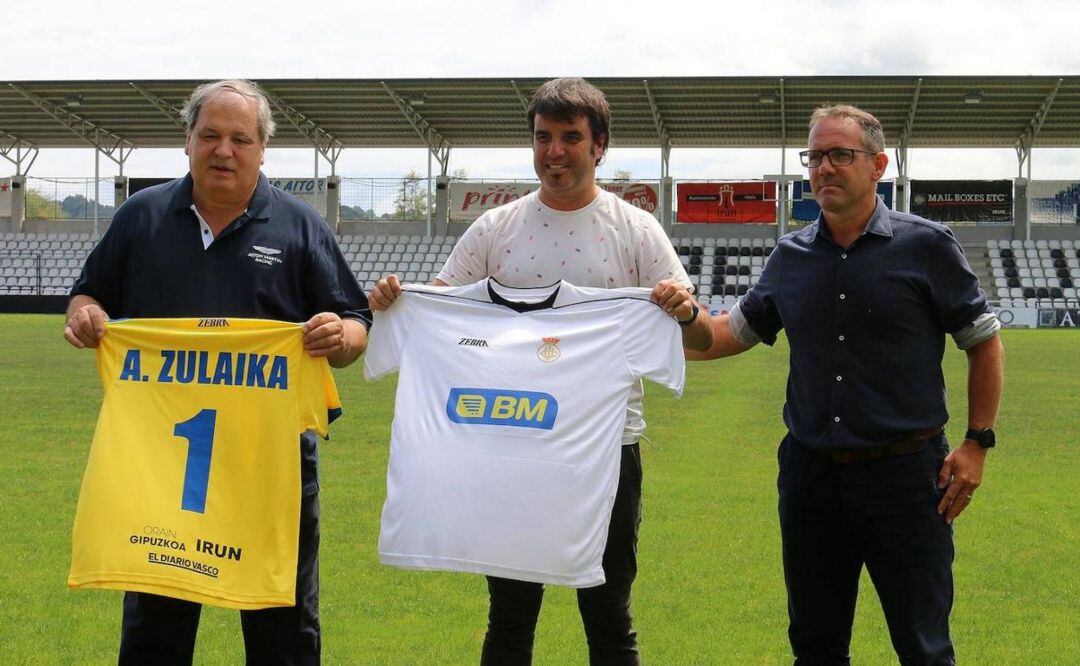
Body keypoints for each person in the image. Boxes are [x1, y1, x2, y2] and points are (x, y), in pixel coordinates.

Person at [369, 77, 711, 665]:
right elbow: (440, 310)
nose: (555, 152)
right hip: (511, 443)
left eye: (570, 138)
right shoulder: (496, 228)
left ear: (599, 145)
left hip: (606, 452)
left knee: (608, 615)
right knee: (509, 616)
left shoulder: (635, 230)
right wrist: (398, 299)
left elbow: (700, 337)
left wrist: (685, 313)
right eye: (543, 137)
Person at [63, 79, 370, 665]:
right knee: (156, 628)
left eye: (239, 138)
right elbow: (87, 296)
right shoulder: (141, 216)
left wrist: (342, 335)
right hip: (160, 470)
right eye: (210, 135)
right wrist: (87, 317)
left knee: (283, 626)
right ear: (187, 141)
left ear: (261, 150)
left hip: (271, 467)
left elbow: (355, 323)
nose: (223, 150)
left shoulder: (299, 226)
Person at [691, 105, 1004, 665]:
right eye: (815, 157)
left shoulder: (926, 245)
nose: (824, 168)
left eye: (841, 154)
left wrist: (977, 442)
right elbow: (724, 336)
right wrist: (680, 315)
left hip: (906, 481)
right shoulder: (790, 256)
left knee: (925, 648)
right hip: (811, 479)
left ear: (878, 164)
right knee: (815, 647)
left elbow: (983, 341)